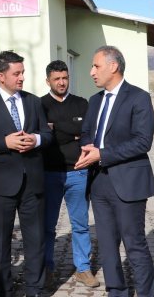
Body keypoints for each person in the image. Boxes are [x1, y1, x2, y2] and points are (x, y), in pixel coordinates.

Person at [0, 50, 52, 297]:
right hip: (1, 187)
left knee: (35, 242)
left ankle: (35, 289)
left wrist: (35, 139)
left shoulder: (34, 102)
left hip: (33, 185)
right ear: (1, 75)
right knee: (1, 244)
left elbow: (47, 135)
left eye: (23, 72)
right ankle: (3, 290)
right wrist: (4, 142)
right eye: (17, 73)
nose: (22, 78)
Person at [76, 45, 154, 297]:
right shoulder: (95, 100)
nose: (91, 72)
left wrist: (104, 153)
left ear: (113, 66)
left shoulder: (138, 97)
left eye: (96, 66)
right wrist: (88, 147)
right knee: (108, 247)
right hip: (99, 182)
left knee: (134, 244)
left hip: (128, 182)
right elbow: (88, 132)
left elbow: (143, 141)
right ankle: (116, 292)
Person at [40, 60, 100, 288]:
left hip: (78, 172)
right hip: (49, 173)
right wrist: (71, 131)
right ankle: (47, 269)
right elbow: (46, 136)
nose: (62, 82)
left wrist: (58, 129)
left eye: (65, 77)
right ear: (48, 81)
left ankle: (83, 269)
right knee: (48, 225)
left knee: (81, 224)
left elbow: (86, 133)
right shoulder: (40, 105)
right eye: (57, 79)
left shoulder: (81, 103)